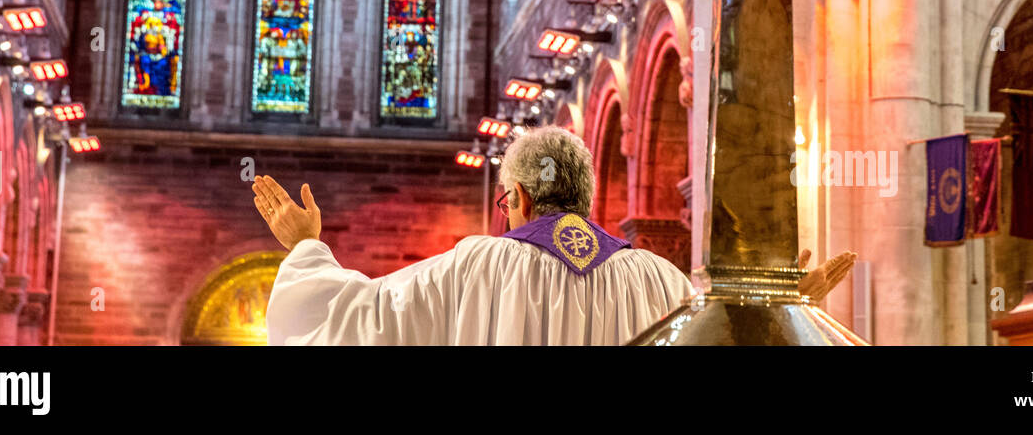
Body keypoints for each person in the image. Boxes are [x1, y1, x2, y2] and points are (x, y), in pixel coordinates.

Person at [255, 125, 855, 345]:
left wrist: (307, 247)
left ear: (515, 197)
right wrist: (784, 307)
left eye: (502, 200)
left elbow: (356, 320)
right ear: (585, 198)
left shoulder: (476, 267)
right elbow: (728, 341)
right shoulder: (661, 279)